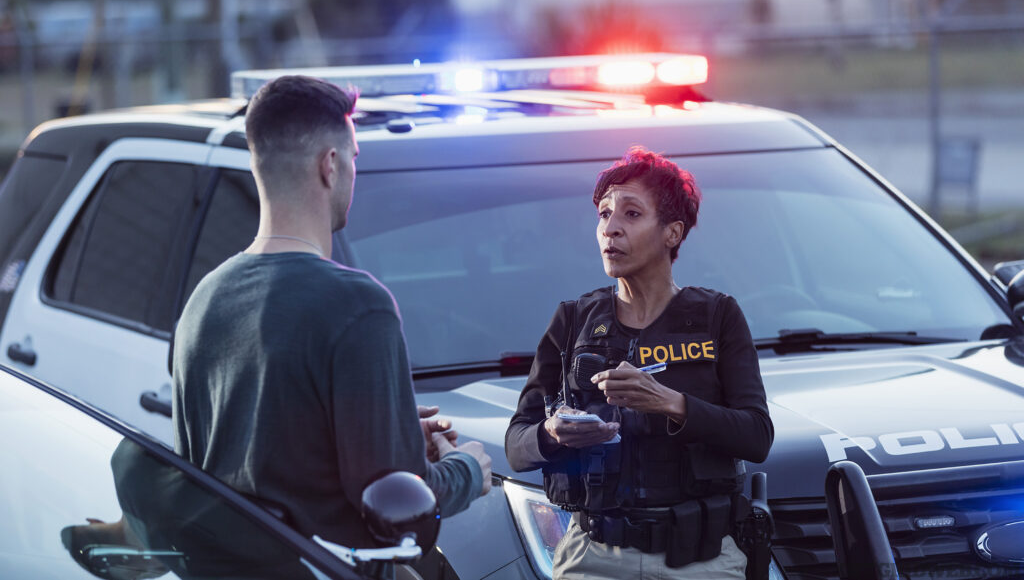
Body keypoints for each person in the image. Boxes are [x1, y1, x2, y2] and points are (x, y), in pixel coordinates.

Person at [172, 75, 491, 551]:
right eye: (355, 158)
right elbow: (398, 511)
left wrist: (394, 431)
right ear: (331, 165)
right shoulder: (358, 305)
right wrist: (466, 470)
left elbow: (231, 468)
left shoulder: (203, 301)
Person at [505, 147, 773, 579]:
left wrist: (670, 403)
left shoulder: (718, 316)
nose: (610, 229)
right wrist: (553, 432)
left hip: (700, 562)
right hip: (593, 558)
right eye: (604, 214)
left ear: (672, 233)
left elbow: (758, 436)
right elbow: (517, 446)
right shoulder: (572, 320)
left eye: (631, 214)